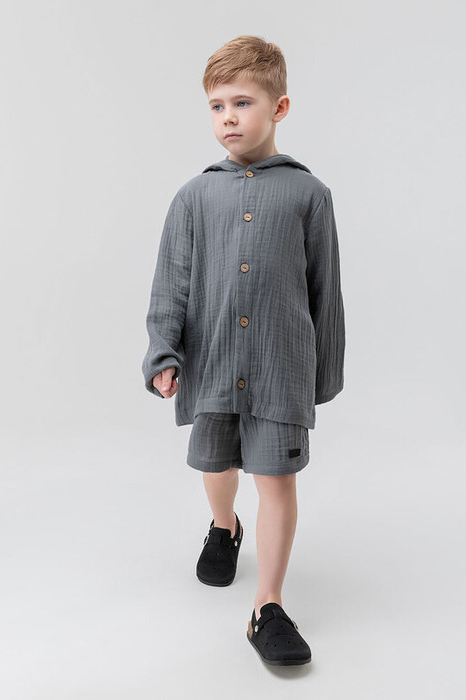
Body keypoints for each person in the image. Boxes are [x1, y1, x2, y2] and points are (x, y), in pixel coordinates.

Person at [141, 35, 345, 666]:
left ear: (278, 108)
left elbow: (326, 290)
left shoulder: (309, 195)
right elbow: (172, 281)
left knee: (277, 478)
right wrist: (163, 352)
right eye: (216, 106)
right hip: (212, 363)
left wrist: (324, 374)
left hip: (281, 368)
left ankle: (268, 606)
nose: (227, 117)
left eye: (242, 103)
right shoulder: (193, 196)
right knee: (215, 465)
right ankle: (225, 526)